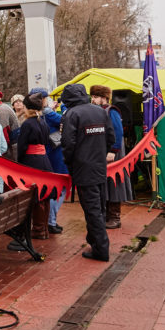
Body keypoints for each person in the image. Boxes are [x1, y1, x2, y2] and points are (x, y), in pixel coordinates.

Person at [60, 83, 114, 262]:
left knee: (92, 210)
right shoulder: (100, 111)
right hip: (99, 166)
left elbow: (68, 143)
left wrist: (69, 162)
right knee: (99, 206)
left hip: (83, 169)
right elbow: (110, 138)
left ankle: (100, 249)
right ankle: (94, 241)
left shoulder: (71, 114)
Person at [90, 85, 133, 229]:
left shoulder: (111, 111)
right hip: (102, 152)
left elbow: (118, 131)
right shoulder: (97, 111)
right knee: (106, 184)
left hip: (113, 154)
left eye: (95, 97)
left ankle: (115, 217)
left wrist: (113, 151)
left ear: (104, 97)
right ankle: (107, 215)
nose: (93, 99)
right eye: (93, 97)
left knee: (115, 184)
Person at [14, 93, 55, 243]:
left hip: (32, 162)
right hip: (44, 161)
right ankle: (43, 229)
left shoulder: (27, 123)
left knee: (36, 197)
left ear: (27, 107)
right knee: (45, 196)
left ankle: (37, 230)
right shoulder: (42, 122)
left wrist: (20, 162)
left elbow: (22, 146)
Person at [31, 87, 66, 234]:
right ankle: (50, 221)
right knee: (60, 189)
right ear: (43, 99)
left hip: (44, 155)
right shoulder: (49, 114)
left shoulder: (33, 115)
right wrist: (63, 105)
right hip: (56, 155)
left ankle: (49, 220)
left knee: (50, 189)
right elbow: (65, 119)